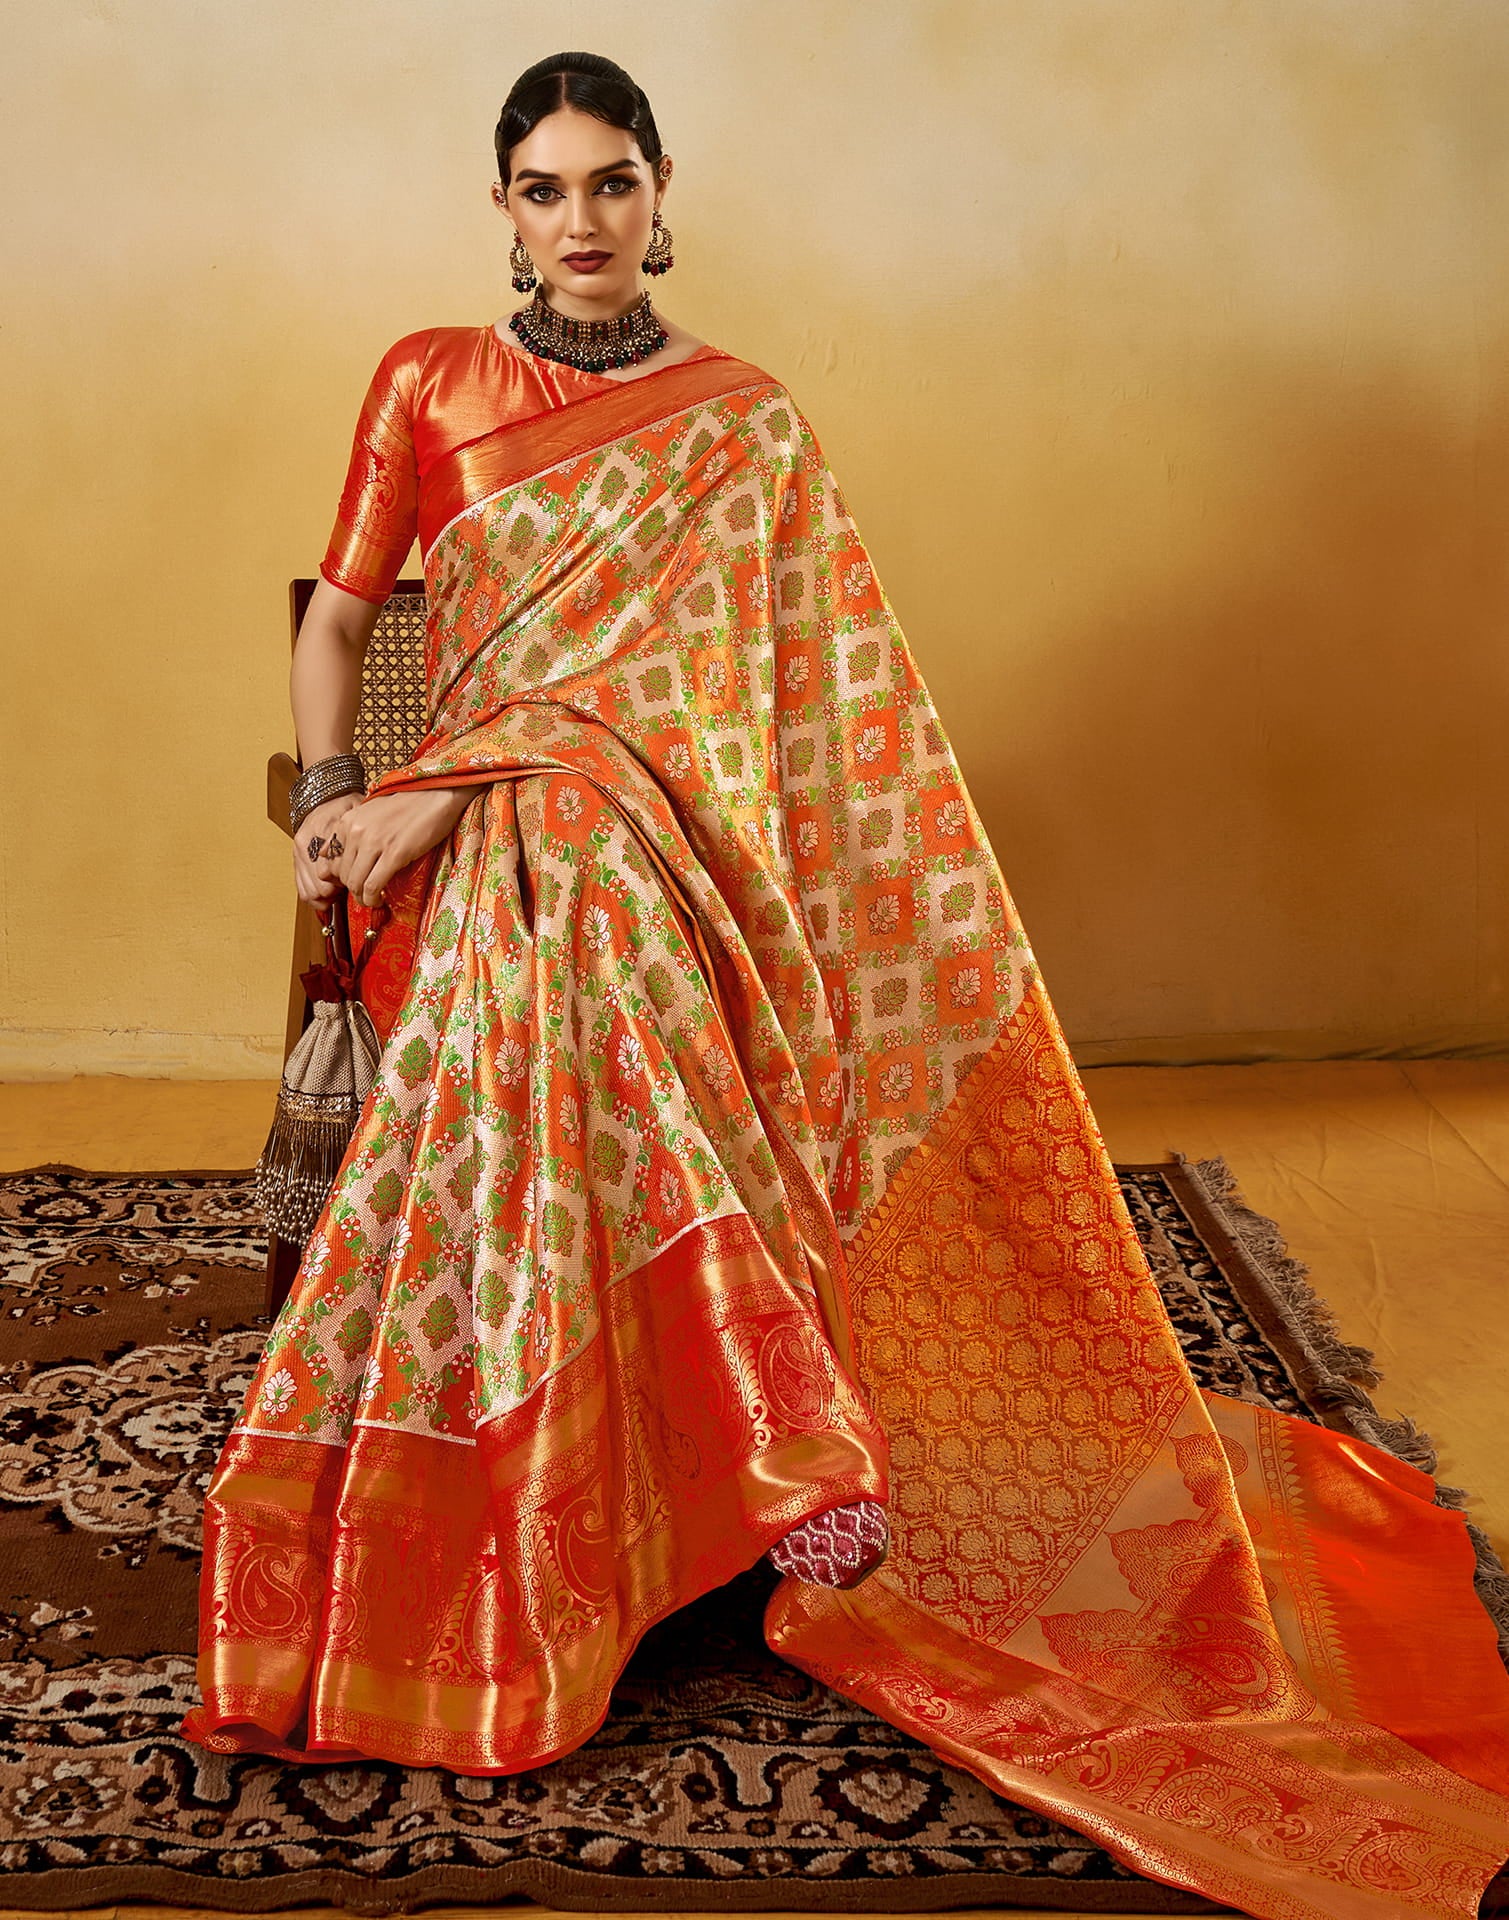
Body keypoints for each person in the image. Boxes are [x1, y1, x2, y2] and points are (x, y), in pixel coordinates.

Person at [182, 51, 1509, 1919]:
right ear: (499, 206)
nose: (580, 222)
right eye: (545, 189)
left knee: (601, 907)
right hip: (447, 838)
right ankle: (775, 1431)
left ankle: (718, 1436)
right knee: (560, 892)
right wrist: (341, 802)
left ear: (663, 194)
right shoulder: (429, 380)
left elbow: (777, 711)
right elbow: (341, 618)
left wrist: (535, 779)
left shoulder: (745, 422)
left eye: (612, 184)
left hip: (665, 842)